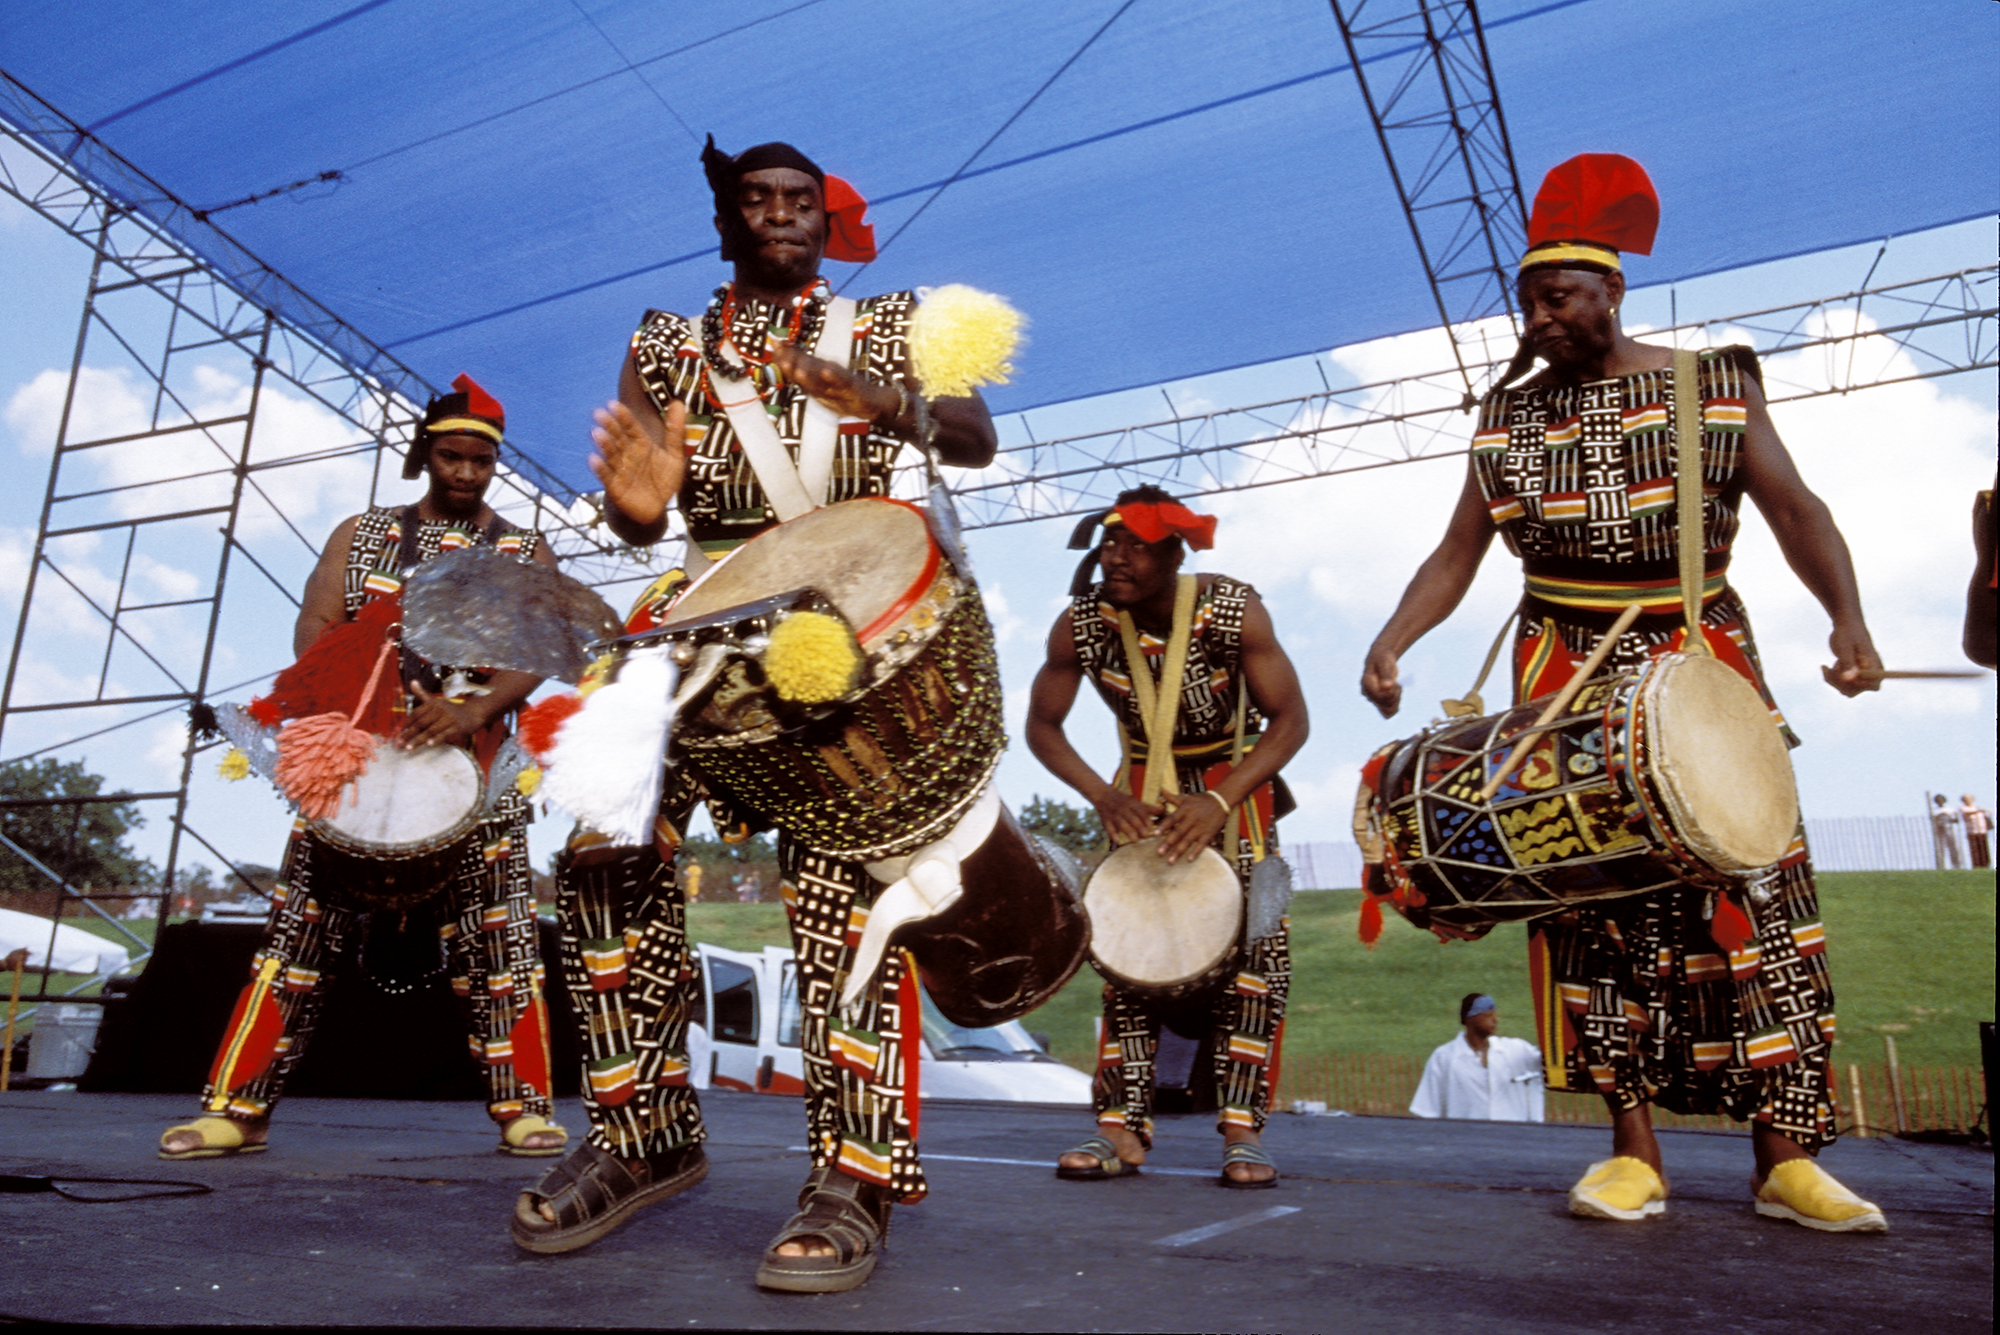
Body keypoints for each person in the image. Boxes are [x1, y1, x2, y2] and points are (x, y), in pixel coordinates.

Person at [1360, 155, 1887, 1232]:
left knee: (1760, 897)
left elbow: (1797, 510)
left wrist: (1848, 620)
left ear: (1611, 289)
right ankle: (1632, 1153)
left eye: (1558, 297)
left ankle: (1783, 1158)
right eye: (1528, 302)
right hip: (1561, 674)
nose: (1540, 319)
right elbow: (1456, 553)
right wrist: (1392, 639)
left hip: (1701, 656)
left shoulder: (1710, 386)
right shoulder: (1505, 422)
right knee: (1592, 909)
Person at [510, 136, 996, 1293]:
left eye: (798, 201)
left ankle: (852, 1171)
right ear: (726, 222)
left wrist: (885, 403)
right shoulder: (664, 345)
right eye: (756, 200)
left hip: (846, 625)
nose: (778, 213)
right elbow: (642, 501)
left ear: (824, 221)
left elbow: (976, 438)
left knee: (839, 893)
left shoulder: (888, 324)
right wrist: (636, 512)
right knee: (600, 857)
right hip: (694, 617)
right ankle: (642, 1133)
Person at [160, 377, 567, 1160]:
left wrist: (473, 711)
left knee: (502, 941)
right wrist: (354, 696)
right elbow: (316, 624)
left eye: (482, 461)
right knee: (297, 936)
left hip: (476, 774)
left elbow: (543, 645)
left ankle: (524, 1108)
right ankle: (237, 1109)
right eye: (451, 457)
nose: (467, 473)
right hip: (354, 765)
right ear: (424, 454)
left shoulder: (522, 549)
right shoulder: (364, 533)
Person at [1026, 488, 1309, 1188]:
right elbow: (1042, 726)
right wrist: (1104, 796)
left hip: (1232, 786)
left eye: (1137, 546)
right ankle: (1119, 1128)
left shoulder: (1233, 609)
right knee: (1125, 954)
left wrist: (1219, 799)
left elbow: (1291, 720)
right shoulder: (1081, 624)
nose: (1115, 557)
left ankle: (1242, 1131)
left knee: (1257, 955)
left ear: (1175, 556)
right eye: (1110, 542)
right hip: (1139, 792)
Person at [1410, 994, 1544, 1123]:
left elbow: (1548, 1061)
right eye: (1488, 1015)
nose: (1495, 1019)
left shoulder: (1515, 1049)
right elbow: (1427, 1110)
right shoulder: (1444, 1057)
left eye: (1495, 1014)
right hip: (1465, 1136)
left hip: (1513, 1135)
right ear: (1470, 1018)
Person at [1930, 794, 1963, 870]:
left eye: (1941, 800)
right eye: (1938, 800)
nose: (1940, 802)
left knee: (1952, 847)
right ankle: (1941, 865)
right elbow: (1933, 820)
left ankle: (1956, 864)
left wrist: (1948, 818)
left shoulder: (1950, 810)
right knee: (1940, 847)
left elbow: (1956, 820)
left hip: (1949, 829)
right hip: (1939, 830)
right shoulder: (1934, 811)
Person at [1960, 795, 1991, 870]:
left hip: (1982, 830)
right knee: (1975, 849)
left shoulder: (1976, 807)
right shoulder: (1963, 808)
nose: (1968, 801)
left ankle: (1985, 864)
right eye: (1966, 799)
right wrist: (1981, 811)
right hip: (1972, 831)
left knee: (1983, 848)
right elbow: (1967, 813)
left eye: (1969, 799)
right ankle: (1977, 864)